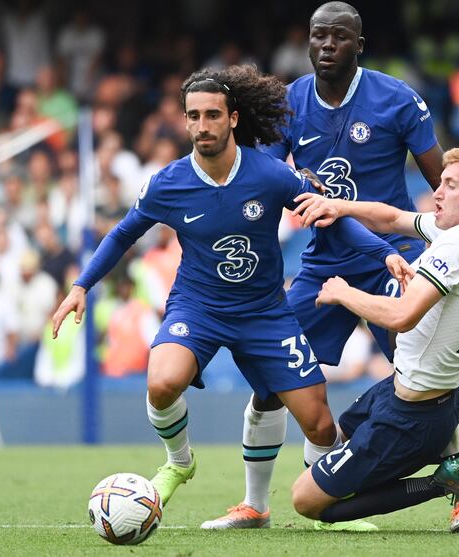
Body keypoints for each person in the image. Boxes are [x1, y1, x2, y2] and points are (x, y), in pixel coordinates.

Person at [206, 0, 459, 533]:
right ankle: (255, 504)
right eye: (318, 36)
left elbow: (452, 186)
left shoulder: (397, 99)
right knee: (271, 377)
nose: (326, 46)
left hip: (391, 262)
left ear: (359, 45)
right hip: (321, 265)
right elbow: (266, 175)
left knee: (434, 382)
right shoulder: (290, 103)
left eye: (339, 37)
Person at [51, 64, 413, 510]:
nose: (203, 125)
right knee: (163, 383)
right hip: (197, 308)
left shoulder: (270, 174)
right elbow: (124, 233)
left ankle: (327, 509)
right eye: (194, 116)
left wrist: (385, 253)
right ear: (184, 121)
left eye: (213, 115)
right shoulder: (168, 183)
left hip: (265, 312)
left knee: (320, 425)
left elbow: (330, 220)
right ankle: (179, 462)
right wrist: (81, 285)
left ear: (233, 119)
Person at [288, 146, 459, 531]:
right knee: (340, 431)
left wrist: (344, 292)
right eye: (440, 182)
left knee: (305, 501)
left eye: (450, 185)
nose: (437, 192)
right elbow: (391, 218)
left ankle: (443, 481)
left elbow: (402, 316)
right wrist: (339, 206)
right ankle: (443, 476)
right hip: (403, 390)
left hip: (413, 415)